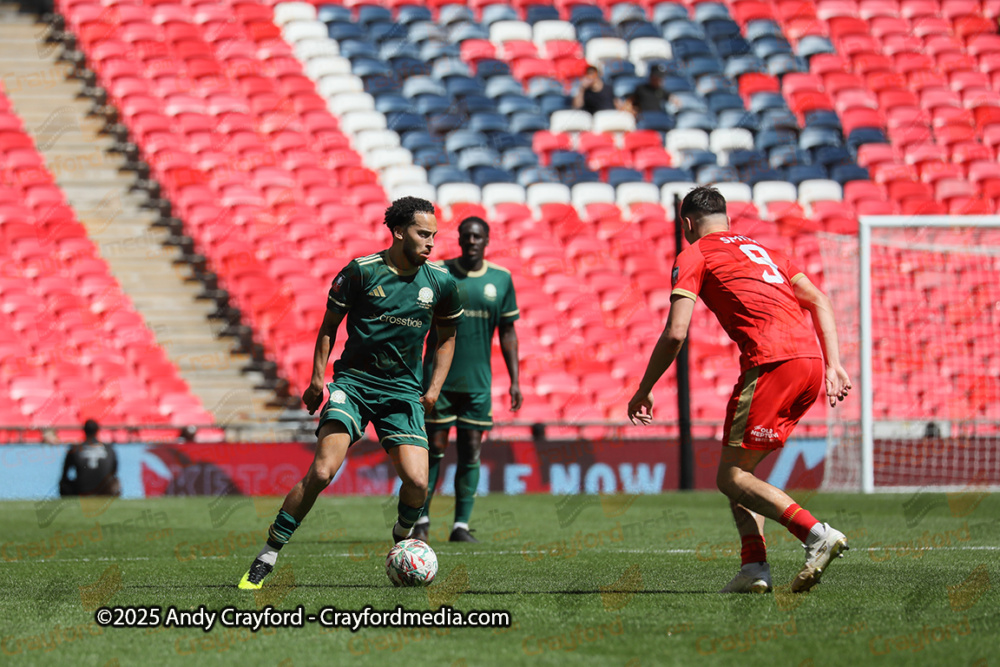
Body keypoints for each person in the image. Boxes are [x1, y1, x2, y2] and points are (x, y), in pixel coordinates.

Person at [627, 186, 852, 594]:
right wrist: (835, 363)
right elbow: (817, 298)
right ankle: (754, 568)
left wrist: (645, 387)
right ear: (728, 220)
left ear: (687, 225)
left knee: (730, 476)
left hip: (772, 362)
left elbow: (676, 333)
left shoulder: (694, 253)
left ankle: (816, 534)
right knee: (742, 471)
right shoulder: (767, 253)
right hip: (811, 365)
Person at [238, 197, 464, 590]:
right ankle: (268, 554)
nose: (431, 243)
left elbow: (447, 339)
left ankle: (402, 535)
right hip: (354, 385)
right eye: (422, 234)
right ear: (398, 232)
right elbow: (328, 327)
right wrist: (315, 380)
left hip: (403, 392)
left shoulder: (441, 283)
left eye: (433, 236)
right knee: (323, 471)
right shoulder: (362, 272)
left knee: (417, 484)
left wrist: (433, 389)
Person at [412, 217, 521, 543]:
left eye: (477, 236)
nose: (472, 240)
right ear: (459, 239)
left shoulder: (501, 279)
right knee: (435, 449)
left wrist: (516, 380)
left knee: (472, 449)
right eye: (466, 236)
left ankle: (460, 525)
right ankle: (422, 518)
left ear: (487, 240)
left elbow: (508, 332)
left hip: (478, 383)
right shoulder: (439, 273)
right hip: (439, 380)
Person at [59, 419, 121, 497]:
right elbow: (114, 471)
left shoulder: (75, 448)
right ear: (97, 431)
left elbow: (65, 474)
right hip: (105, 491)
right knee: (115, 482)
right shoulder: (109, 448)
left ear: (84, 431)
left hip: (81, 490)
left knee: (64, 483)